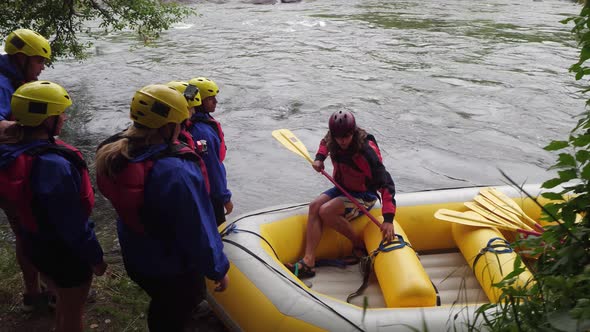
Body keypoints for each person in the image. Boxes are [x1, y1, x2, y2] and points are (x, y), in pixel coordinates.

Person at [95, 84, 230, 332]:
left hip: (137, 255)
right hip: (171, 266)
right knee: (176, 309)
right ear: (168, 127)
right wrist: (218, 268)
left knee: (164, 304)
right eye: (179, 123)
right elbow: (196, 227)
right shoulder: (176, 171)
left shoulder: (116, 153)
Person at [0, 81, 107, 331]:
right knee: (73, 314)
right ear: (47, 121)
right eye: (59, 113)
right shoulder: (53, 165)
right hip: (64, 253)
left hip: (34, 241)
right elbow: (72, 224)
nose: (64, 117)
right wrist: (96, 259)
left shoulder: (13, 151)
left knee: (63, 303)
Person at [286, 110, 397, 279]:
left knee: (326, 211)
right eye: (338, 137)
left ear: (352, 132)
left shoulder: (366, 152)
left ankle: (358, 245)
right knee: (314, 206)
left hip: (364, 194)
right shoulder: (333, 139)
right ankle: (308, 262)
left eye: (346, 136)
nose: (342, 141)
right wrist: (319, 159)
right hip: (342, 187)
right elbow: (324, 142)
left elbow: (386, 183)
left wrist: (388, 219)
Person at [0, 28, 52, 311]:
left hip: (10, 165)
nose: (42, 68)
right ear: (20, 58)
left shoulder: (11, 76)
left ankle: (40, 288)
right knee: (27, 230)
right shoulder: (1, 83)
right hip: (7, 170)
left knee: (28, 229)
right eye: (38, 61)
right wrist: (35, 129)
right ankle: (36, 294)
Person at [187, 77, 233, 226]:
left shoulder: (200, 121)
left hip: (201, 190)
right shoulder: (202, 132)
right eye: (210, 99)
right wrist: (225, 197)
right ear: (198, 102)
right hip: (209, 194)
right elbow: (212, 168)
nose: (215, 102)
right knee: (218, 227)